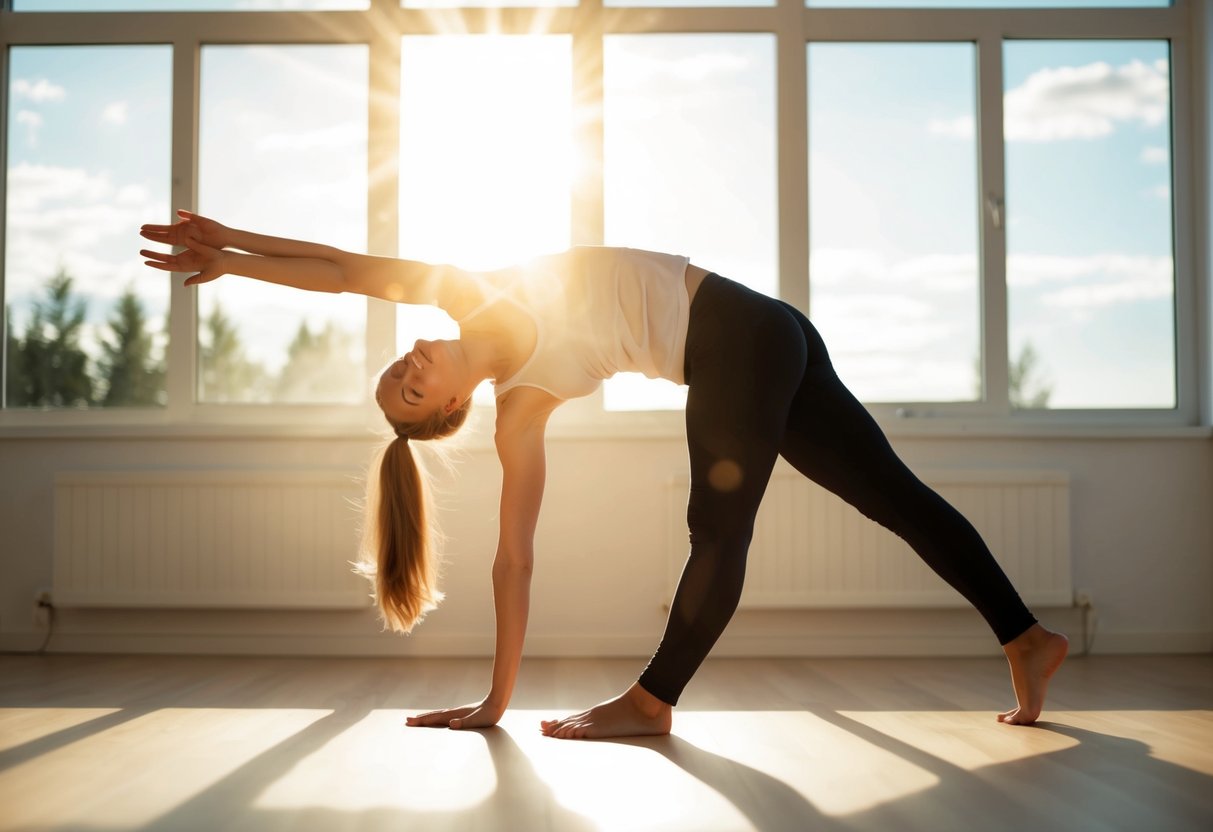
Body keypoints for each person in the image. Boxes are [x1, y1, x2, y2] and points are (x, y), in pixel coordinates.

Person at [140, 209, 1069, 739]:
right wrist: (497, 700)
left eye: (396, 372)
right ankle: (1025, 638)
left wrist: (232, 251)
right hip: (754, 339)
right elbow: (515, 561)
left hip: (745, 330)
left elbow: (348, 270)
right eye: (407, 395)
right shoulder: (524, 406)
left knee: (725, 524)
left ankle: (651, 700)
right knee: (889, 497)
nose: (406, 371)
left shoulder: (472, 290)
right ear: (446, 414)